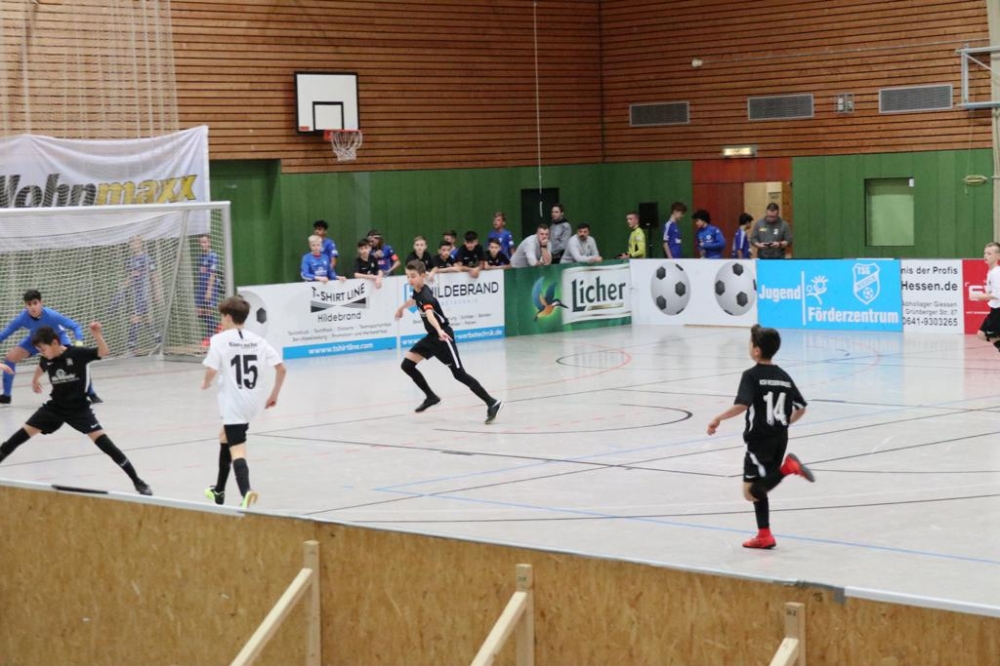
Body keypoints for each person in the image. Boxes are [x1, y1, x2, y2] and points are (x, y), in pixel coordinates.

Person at [0, 323, 152, 495]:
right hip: (55, 408)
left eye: (43, 349)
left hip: (79, 409)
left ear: (55, 343)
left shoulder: (78, 354)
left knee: (107, 446)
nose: (42, 353)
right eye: (39, 350)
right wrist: (35, 380)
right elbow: (42, 365)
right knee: (16, 439)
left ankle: (137, 481)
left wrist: (97, 335)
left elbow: (103, 352)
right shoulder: (47, 358)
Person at [706, 325, 814, 550]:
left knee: (751, 492)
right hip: (780, 438)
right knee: (761, 485)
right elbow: (801, 407)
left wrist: (718, 418)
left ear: (756, 350)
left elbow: (742, 404)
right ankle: (765, 535)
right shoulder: (784, 376)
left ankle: (788, 468)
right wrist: (784, 422)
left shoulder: (751, 375)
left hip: (759, 440)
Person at [202, 296, 286, 508]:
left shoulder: (219, 340)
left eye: (222, 317)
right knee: (224, 436)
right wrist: (274, 395)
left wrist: (206, 383)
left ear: (228, 318)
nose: (221, 321)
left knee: (237, 450)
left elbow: (211, 370)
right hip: (253, 402)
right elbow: (281, 369)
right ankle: (219, 490)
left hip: (234, 403)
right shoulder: (258, 340)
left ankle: (246, 491)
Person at [394, 260, 503, 424]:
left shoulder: (425, 295)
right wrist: (401, 308)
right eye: (408, 276)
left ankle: (492, 402)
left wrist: (439, 330)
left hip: (442, 337)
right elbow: (413, 300)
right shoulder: (418, 290)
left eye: (413, 276)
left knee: (459, 374)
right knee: (407, 365)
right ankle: (431, 396)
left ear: (422, 276)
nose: (410, 279)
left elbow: (430, 315)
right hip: (432, 338)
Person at [0, 290, 100, 405]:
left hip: (56, 341)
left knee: (75, 362)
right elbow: (7, 331)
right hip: (36, 340)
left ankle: (91, 393)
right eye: (29, 304)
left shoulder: (51, 315)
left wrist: (79, 342)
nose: (32, 307)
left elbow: (75, 326)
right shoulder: (23, 317)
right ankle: (6, 396)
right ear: (25, 305)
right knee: (10, 357)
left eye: (35, 303)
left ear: (41, 303)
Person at [123, 235, 162, 353]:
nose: (133, 244)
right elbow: (130, 277)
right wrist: (123, 288)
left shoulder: (146, 258)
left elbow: (153, 276)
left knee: (135, 318)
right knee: (146, 319)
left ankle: (131, 347)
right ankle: (159, 340)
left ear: (141, 243)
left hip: (143, 294)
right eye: (131, 242)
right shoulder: (130, 260)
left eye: (136, 241)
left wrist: (157, 292)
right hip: (134, 294)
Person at [973, 242, 1000, 352]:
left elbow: (997, 295)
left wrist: (980, 296)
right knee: (982, 334)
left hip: (998, 310)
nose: (986, 256)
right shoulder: (991, 272)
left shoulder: (996, 273)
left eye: (989, 254)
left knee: (990, 335)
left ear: (998, 256)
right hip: (994, 309)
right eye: (985, 253)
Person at [195, 234, 221, 344]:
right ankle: (217, 326)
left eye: (205, 242)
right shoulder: (200, 257)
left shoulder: (213, 256)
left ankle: (210, 337)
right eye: (201, 242)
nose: (203, 244)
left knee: (208, 310)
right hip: (201, 287)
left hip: (210, 286)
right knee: (199, 312)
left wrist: (209, 290)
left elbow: (212, 274)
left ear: (209, 243)